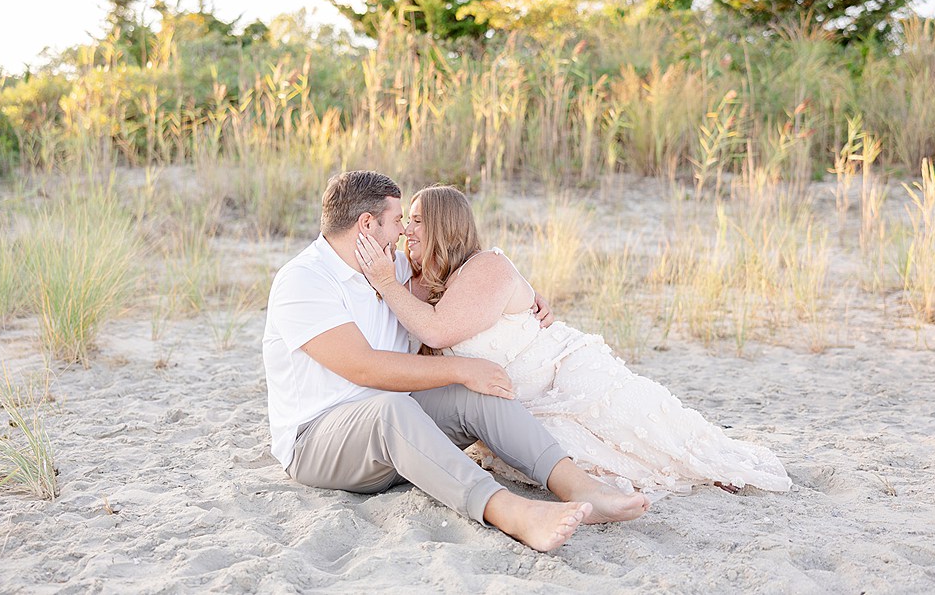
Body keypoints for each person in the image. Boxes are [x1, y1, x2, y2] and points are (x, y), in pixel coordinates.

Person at [263, 171, 650, 553]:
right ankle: (510, 512)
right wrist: (462, 368)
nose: (402, 231)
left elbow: (461, 276)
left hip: (395, 424)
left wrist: (525, 295)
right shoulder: (303, 280)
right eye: (398, 220)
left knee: (477, 395)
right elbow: (364, 367)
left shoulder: (390, 268)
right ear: (367, 223)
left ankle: (579, 488)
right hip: (317, 442)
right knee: (395, 407)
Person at [355, 185, 793, 496]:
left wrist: (385, 283)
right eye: (405, 222)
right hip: (523, 403)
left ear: (445, 226)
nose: (407, 231)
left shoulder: (485, 266)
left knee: (647, 432)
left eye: (416, 221)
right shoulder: (413, 285)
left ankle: (708, 468)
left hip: (563, 370)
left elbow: (436, 330)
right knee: (569, 460)